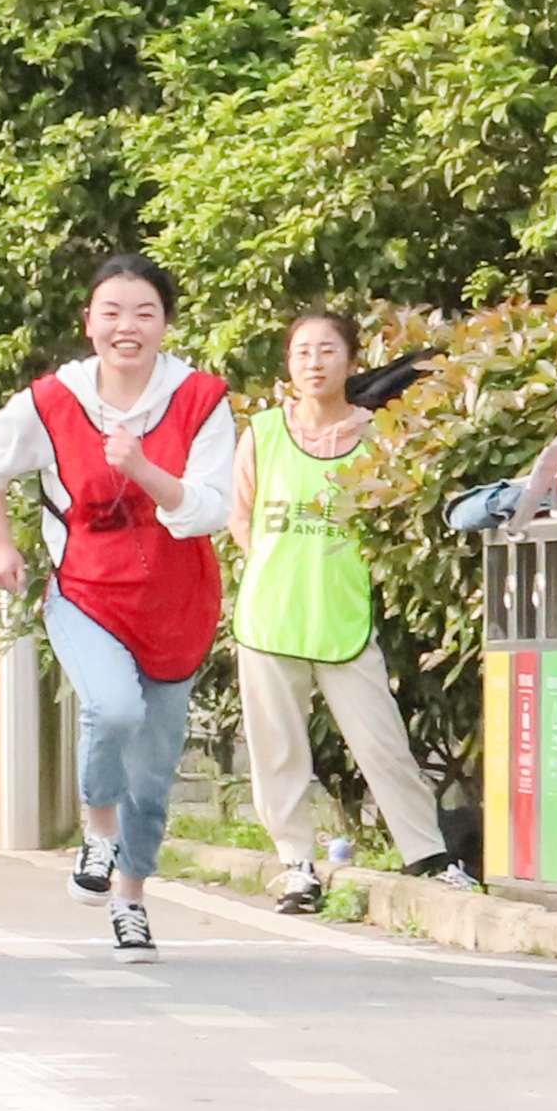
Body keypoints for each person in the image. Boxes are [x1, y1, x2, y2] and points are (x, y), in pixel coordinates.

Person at [0, 254, 240, 958]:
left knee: (153, 773)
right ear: (89, 323)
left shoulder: (201, 399)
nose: (127, 327)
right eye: (111, 312)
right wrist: (1, 546)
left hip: (176, 603)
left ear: (165, 325)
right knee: (111, 708)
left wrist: (142, 468)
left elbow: (209, 509)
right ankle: (97, 831)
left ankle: (131, 897)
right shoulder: (54, 400)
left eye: (144, 313)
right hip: (85, 593)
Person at [232, 310, 457, 916]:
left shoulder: (376, 438)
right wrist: (271, 567)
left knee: (382, 743)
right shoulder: (263, 434)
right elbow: (240, 517)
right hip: (270, 618)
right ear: (288, 364)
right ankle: (296, 866)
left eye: (327, 350)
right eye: (302, 352)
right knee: (278, 752)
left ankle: (429, 857)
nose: (314, 363)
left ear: (351, 361)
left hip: (344, 617)